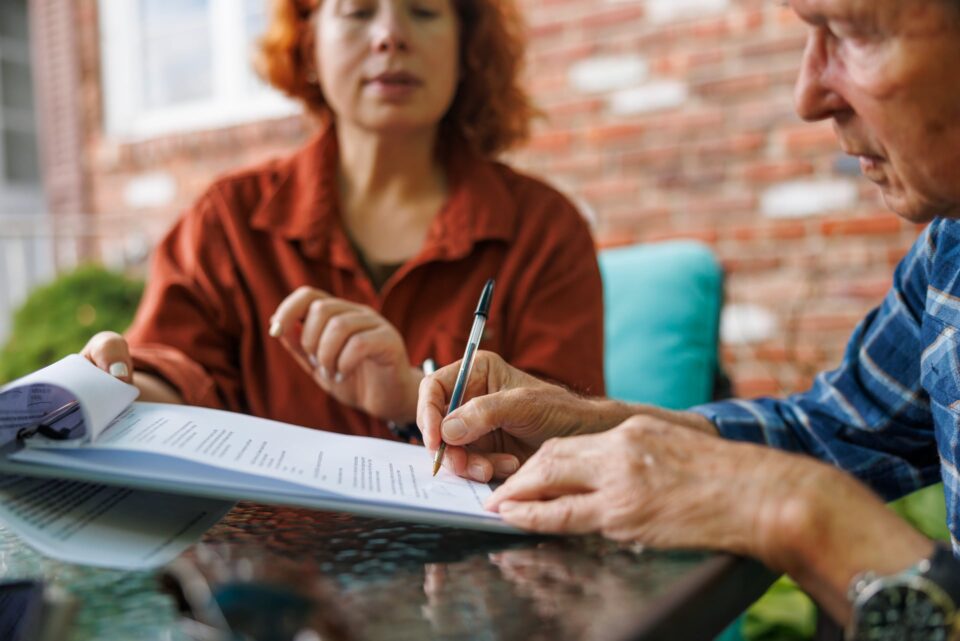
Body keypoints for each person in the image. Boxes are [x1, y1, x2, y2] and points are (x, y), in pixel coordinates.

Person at [418, 0, 960, 635]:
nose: (808, 96)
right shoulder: (947, 249)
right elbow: (828, 430)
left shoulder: (536, 223)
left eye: (854, 34)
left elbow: (806, 473)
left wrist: (796, 509)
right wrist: (591, 427)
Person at [79, 0, 604, 453]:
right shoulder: (226, 221)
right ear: (308, 45)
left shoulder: (544, 229)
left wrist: (410, 395)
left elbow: (575, 442)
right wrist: (119, 385)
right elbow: (178, 375)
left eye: (423, 10)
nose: (391, 35)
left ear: (467, 47)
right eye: (356, 10)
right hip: (261, 565)